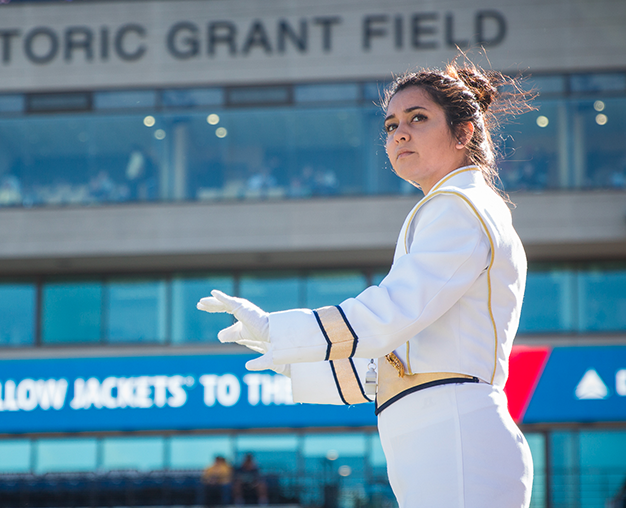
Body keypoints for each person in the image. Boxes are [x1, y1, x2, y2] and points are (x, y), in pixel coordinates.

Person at [198, 62, 535, 507]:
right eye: (391, 124)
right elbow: (396, 362)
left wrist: (282, 332)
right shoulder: (451, 207)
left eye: (418, 118)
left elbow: (388, 317)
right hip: (443, 435)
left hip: (455, 437)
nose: (398, 133)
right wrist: (288, 356)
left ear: (463, 133)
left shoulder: (460, 205)